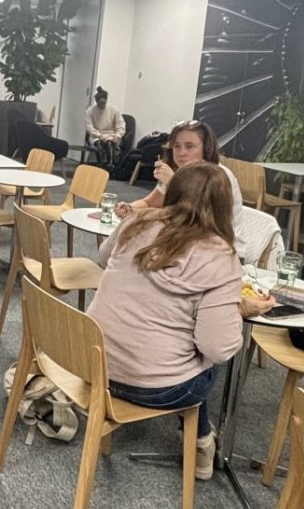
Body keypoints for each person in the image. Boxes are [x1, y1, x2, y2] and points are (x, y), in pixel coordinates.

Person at [89, 162, 273, 480]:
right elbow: (218, 349)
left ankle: (201, 441)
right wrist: (236, 310)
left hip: (91, 365)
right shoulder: (220, 256)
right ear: (225, 208)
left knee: (181, 336)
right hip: (155, 389)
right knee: (203, 357)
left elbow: (104, 258)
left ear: (173, 191)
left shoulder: (137, 220)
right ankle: (201, 442)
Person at [115, 118, 249, 260]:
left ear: (206, 148)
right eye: (177, 146)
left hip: (222, 252)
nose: (181, 152)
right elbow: (149, 203)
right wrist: (129, 208)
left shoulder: (219, 176)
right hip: (187, 243)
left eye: (189, 146)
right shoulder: (178, 171)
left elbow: (200, 220)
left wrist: (173, 183)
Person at [85, 87, 125, 168]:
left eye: (104, 103)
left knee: (109, 144)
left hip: (111, 135)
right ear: (96, 102)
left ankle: (110, 165)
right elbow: (89, 127)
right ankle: (100, 165)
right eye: (100, 103)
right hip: (96, 135)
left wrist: (118, 135)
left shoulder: (114, 109)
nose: (102, 105)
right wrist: (100, 135)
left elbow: (121, 125)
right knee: (98, 146)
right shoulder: (90, 111)